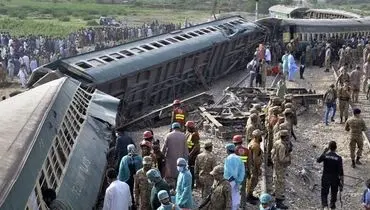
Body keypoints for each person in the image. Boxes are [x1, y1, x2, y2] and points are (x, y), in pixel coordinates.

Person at [317, 141, 344, 210]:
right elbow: (341, 172)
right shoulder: (339, 158)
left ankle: (325, 206)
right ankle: (332, 206)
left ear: (329, 147)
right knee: (334, 193)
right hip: (335, 179)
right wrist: (342, 183)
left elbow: (318, 160)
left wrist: (324, 152)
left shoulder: (325, 156)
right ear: (336, 148)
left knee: (324, 192)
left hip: (326, 177)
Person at [162, 122, 188, 188]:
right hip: (180, 159)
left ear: (172, 128)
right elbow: (186, 150)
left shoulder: (168, 135)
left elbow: (164, 148)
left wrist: (162, 157)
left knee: (170, 176)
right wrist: (186, 159)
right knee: (179, 174)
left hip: (170, 160)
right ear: (179, 128)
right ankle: (178, 187)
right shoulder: (183, 136)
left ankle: (171, 190)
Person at [271, 130, 291, 209]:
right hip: (280, 166)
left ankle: (276, 193)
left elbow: (272, 152)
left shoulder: (277, 142)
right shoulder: (282, 146)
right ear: (285, 137)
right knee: (280, 182)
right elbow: (282, 159)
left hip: (276, 164)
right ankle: (278, 201)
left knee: (276, 179)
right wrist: (288, 158)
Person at [224, 143, 245, 210]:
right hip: (237, 181)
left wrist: (230, 180)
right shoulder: (239, 158)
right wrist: (239, 180)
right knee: (236, 196)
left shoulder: (229, 158)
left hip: (230, 181)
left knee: (230, 197)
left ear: (228, 150)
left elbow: (231, 172)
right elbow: (242, 171)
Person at [232, 135, 249, 207]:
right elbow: (249, 162)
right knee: (243, 189)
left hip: (235, 172)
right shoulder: (246, 150)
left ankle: (235, 205)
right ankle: (243, 205)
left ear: (234, 143)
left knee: (235, 188)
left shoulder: (233, 150)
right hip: (243, 171)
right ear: (241, 142)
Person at [246, 129, 262, 205]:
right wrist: (258, 168)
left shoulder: (251, 142)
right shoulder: (256, 145)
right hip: (254, 166)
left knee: (251, 181)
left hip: (250, 165)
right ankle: (248, 196)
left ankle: (250, 195)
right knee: (253, 181)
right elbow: (255, 159)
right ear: (258, 136)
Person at [185, 120, 200, 189]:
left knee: (192, 169)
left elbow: (196, 146)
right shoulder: (188, 133)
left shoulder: (195, 134)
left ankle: (192, 184)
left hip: (193, 155)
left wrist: (190, 154)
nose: (186, 129)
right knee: (189, 168)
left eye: (187, 127)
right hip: (189, 154)